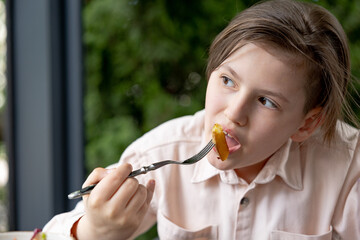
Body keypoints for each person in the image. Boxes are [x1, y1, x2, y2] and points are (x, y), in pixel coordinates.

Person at [44, 0, 360, 239]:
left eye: (266, 101)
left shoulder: (349, 168)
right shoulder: (163, 152)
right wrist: (92, 230)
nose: (234, 112)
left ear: (307, 124)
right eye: (228, 81)